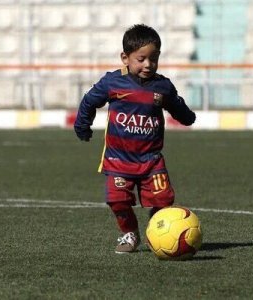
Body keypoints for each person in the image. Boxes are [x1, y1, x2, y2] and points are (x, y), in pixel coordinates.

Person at [74, 24, 196, 254]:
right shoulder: (113, 82)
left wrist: (187, 117)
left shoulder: (163, 86)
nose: (148, 65)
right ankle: (130, 233)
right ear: (125, 58)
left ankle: (158, 229)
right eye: (141, 59)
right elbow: (90, 101)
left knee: (163, 201)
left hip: (151, 160)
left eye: (154, 58)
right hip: (118, 159)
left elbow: (177, 106)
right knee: (117, 200)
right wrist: (82, 126)